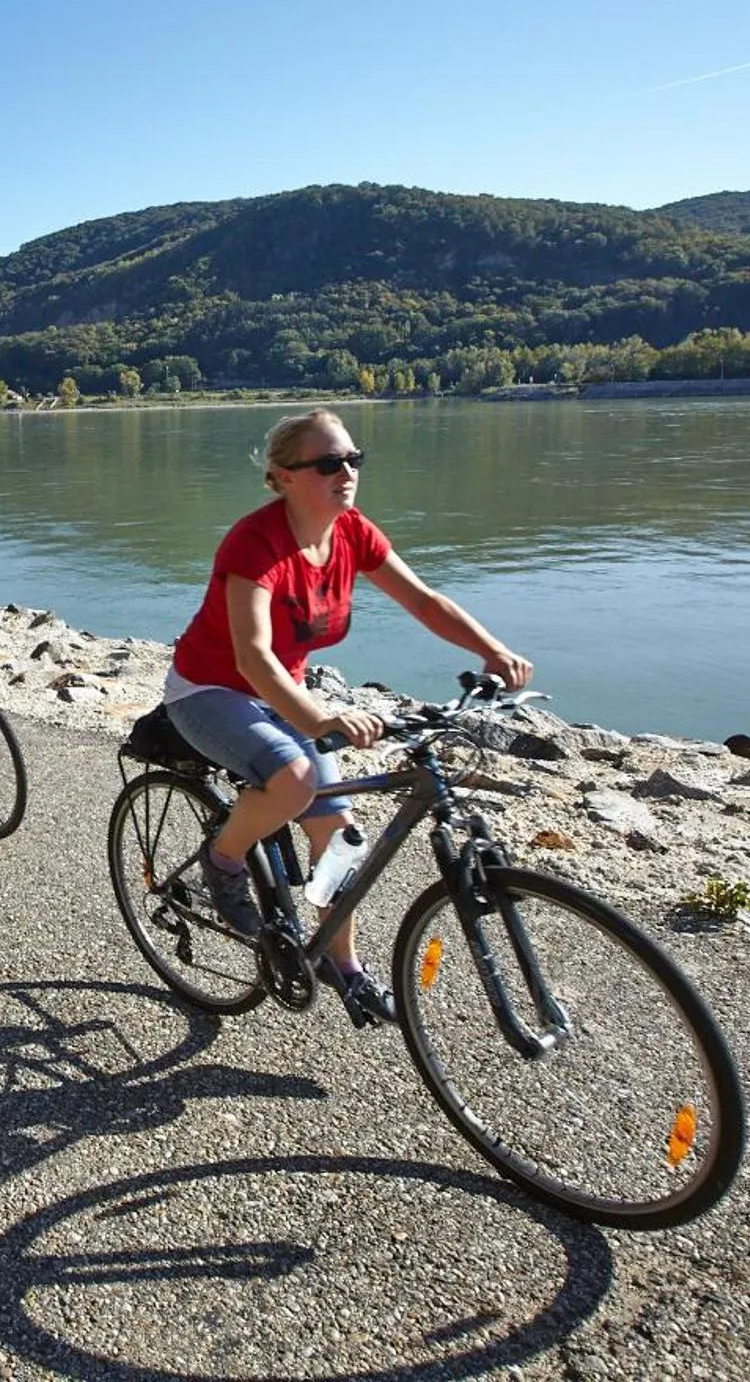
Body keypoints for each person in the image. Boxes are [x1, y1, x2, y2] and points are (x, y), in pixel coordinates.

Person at [162, 411, 532, 1026]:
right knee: (297, 778)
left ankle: (346, 968)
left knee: (338, 838)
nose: (347, 473)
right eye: (328, 463)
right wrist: (319, 717)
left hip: (283, 692)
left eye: (354, 459)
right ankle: (223, 860)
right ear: (282, 477)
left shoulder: (352, 533)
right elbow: (252, 657)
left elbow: (422, 600)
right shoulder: (254, 542)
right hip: (208, 691)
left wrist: (490, 651)